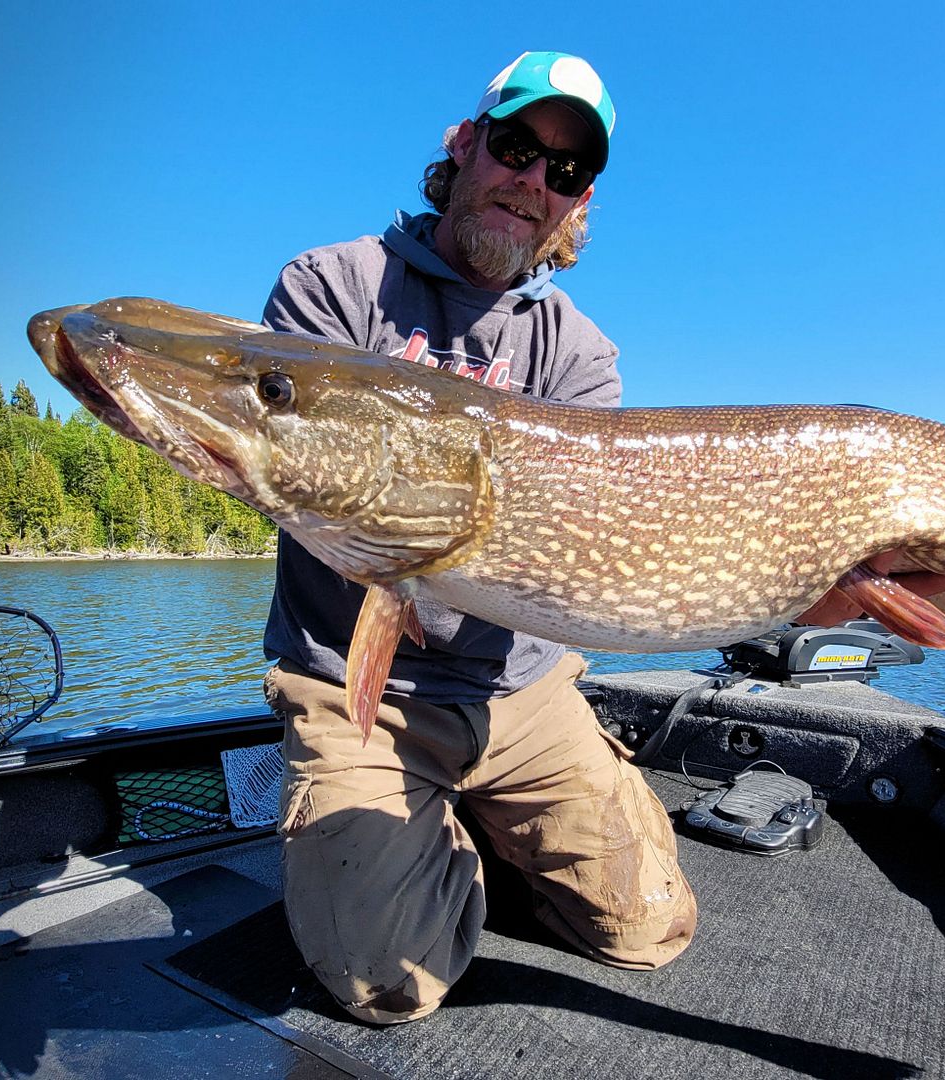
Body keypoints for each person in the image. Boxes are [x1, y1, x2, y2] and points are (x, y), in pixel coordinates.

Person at [257, 52, 697, 1025]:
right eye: (516, 145)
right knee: (386, 986)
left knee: (653, 931)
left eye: (566, 170)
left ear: (578, 203)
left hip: (520, 695)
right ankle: (418, 832)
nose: (533, 179)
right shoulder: (336, 287)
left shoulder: (578, 355)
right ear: (464, 145)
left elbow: (575, 551)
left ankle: (484, 826)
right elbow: (299, 472)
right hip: (363, 695)